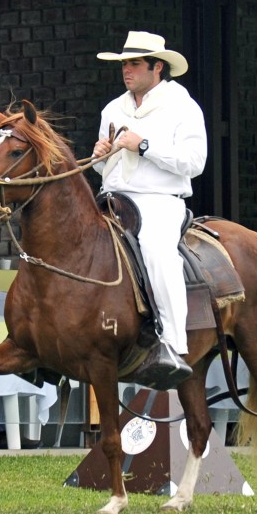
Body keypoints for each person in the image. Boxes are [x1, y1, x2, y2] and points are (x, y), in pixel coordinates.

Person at [92, 31, 208, 390]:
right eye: (124, 64)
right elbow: (105, 168)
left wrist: (143, 145)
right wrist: (100, 156)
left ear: (157, 67)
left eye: (134, 64)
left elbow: (195, 162)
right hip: (113, 198)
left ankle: (173, 345)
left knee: (158, 253)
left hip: (159, 200)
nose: (126, 70)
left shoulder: (182, 106)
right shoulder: (113, 108)